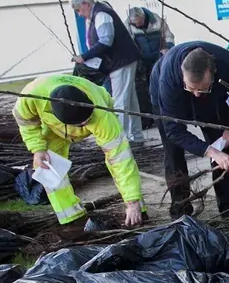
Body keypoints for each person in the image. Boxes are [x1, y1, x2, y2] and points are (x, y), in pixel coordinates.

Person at [13, 74, 144, 229]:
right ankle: (71, 218)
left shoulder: (102, 116)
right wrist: (38, 149)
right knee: (48, 167)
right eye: (81, 124)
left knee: (118, 160)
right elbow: (25, 121)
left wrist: (132, 201)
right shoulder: (31, 95)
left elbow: (121, 159)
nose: (85, 125)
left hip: (98, 112)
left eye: (87, 121)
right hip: (53, 129)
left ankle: (138, 210)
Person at [150, 42, 229, 218]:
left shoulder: (228, 63)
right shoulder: (168, 78)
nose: (196, 94)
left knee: (226, 147)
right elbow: (173, 131)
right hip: (170, 97)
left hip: (213, 99)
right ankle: (181, 211)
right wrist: (210, 151)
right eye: (192, 88)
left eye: (201, 88)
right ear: (183, 75)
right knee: (173, 152)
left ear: (213, 72)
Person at [70, 0, 143, 143]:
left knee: (121, 101)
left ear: (85, 4)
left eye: (78, 10)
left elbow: (105, 41)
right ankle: (136, 136)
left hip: (121, 61)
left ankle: (120, 140)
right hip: (122, 60)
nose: (80, 14)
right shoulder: (97, 14)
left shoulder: (101, 15)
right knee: (130, 99)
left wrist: (84, 57)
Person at [127, 5, 176, 132]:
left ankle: (166, 114)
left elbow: (169, 36)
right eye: (135, 24)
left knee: (161, 87)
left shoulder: (157, 20)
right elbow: (128, 43)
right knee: (143, 90)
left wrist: (168, 48)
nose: (138, 26)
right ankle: (148, 119)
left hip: (158, 58)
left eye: (139, 23)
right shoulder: (127, 24)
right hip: (141, 61)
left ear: (143, 17)